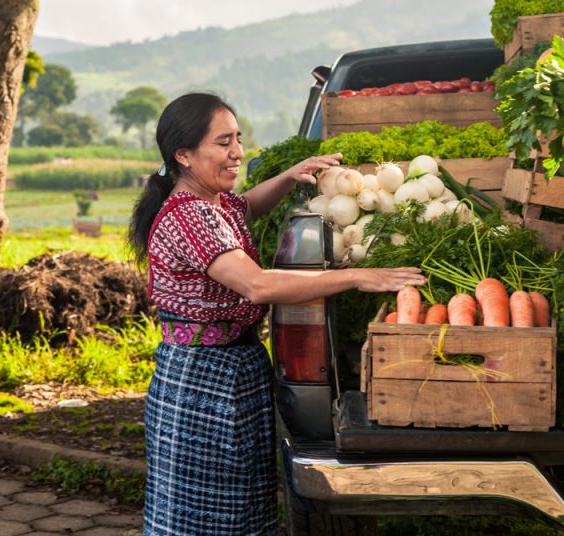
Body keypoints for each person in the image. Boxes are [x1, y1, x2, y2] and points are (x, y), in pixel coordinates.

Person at [129, 93, 426, 535]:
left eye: (239, 139)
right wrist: (357, 277)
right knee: (206, 515)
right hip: (203, 379)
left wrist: (290, 175)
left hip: (233, 367)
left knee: (241, 500)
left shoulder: (213, 202)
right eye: (223, 143)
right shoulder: (190, 217)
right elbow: (258, 284)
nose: (237, 153)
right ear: (184, 155)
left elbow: (247, 205)